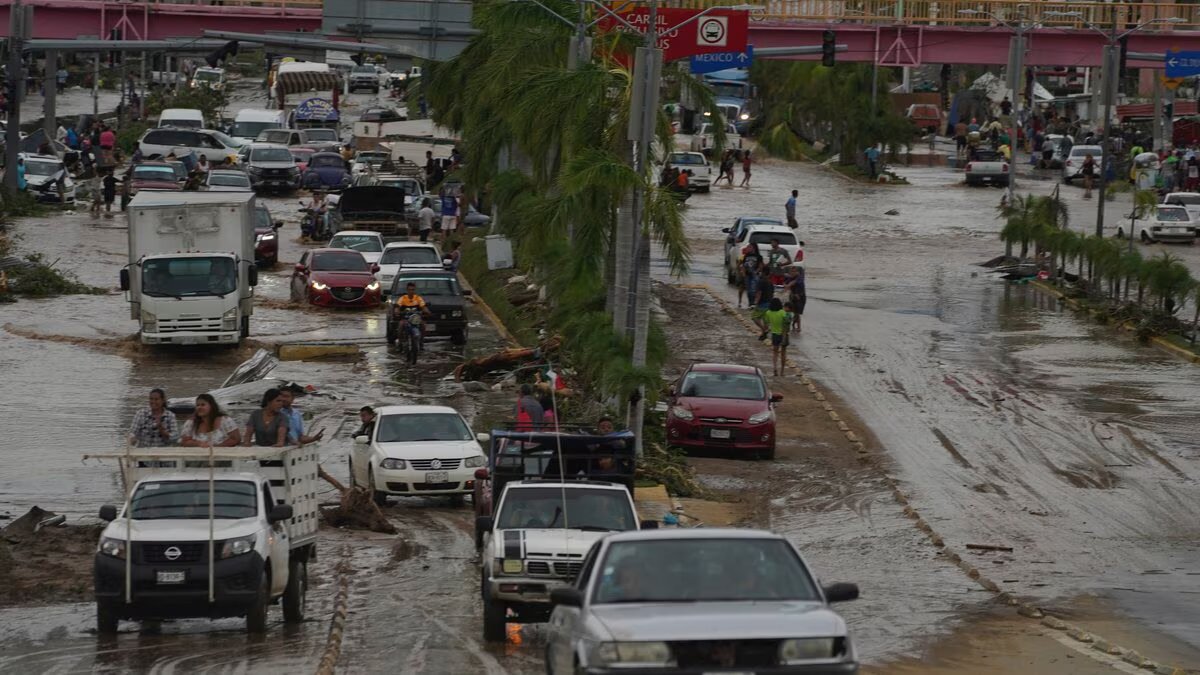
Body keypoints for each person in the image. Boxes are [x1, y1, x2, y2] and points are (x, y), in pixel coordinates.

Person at [762, 298, 793, 376]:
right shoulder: (782, 312)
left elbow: (766, 323)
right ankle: (782, 371)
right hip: (784, 335)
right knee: (783, 353)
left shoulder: (768, 313)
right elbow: (788, 322)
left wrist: (765, 331)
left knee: (775, 352)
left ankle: (775, 369)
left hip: (774, 335)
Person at [750, 260, 774, 340]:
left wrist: (755, 303)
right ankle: (764, 335)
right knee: (765, 320)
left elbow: (759, 293)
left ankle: (764, 330)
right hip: (769, 303)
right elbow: (772, 293)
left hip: (762, 303)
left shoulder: (761, 281)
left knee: (754, 317)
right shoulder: (770, 282)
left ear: (763, 272)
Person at [737, 241, 762, 307]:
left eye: (749, 247)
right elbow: (743, 265)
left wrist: (756, 272)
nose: (748, 248)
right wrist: (743, 273)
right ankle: (750, 303)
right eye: (748, 247)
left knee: (753, 289)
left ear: (753, 248)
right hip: (747, 275)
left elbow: (760, 266)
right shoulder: (746, 256)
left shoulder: (758, 256)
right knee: (748, 290)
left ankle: (752, 303)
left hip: (755, 275)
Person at [783, 263, 806, 332]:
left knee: (797, 313)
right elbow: (784, 282)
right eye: (791, 271)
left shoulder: (800, 277)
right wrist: (785, 284)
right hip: (792, 297)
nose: (792, 273)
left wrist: (788, 286)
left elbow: (794, 282)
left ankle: (798, 327)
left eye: (794, 271)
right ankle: (791, 324)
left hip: (800, 297)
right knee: (789, 311)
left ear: (797, 272)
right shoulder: (790, 277)